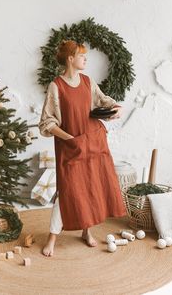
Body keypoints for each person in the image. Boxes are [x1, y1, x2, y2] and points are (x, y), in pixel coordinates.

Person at [38, 39, 127, 257]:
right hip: (71, 147)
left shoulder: (88, 81)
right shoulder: (56, 86)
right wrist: (69, 139)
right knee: (68, 192)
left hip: (95, 143)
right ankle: (52, 237)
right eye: (81, 55)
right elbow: (46, 123)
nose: (85, 59)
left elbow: (104, 101)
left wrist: (117, 108)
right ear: (70, 58)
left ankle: (87, 232)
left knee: (91, 187)